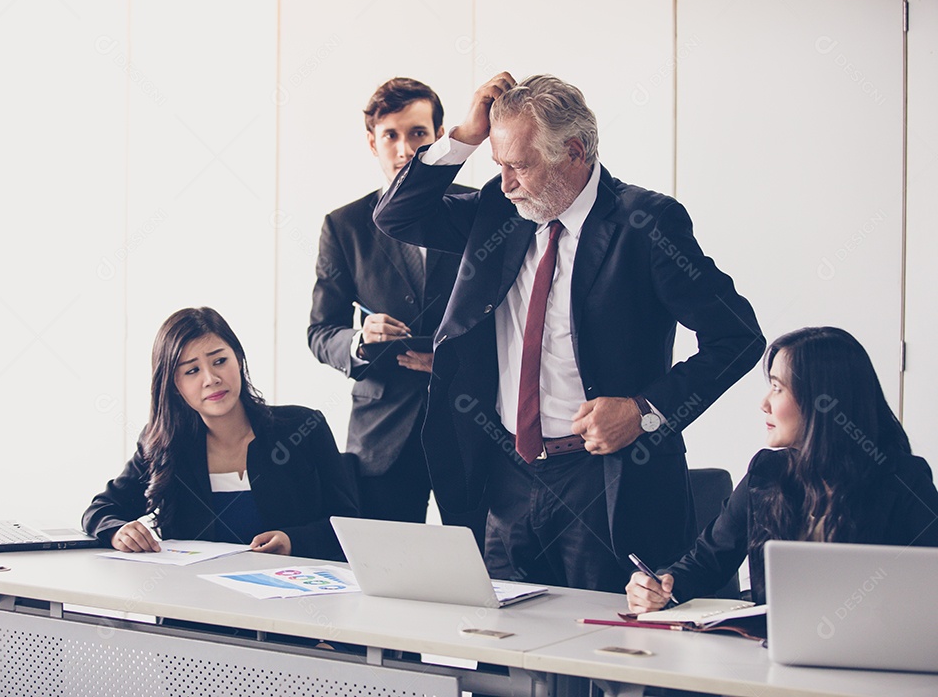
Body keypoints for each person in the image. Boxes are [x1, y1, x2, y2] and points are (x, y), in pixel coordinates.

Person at [374, 72, 764, 592]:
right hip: (507, 476)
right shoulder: (499, 211)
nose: (506, 182)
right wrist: (464, 135)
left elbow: (737, 338)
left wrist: (645, 412)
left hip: (606, 482)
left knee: (604, 637)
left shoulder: (647, 223)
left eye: (519, 166)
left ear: (574, 152)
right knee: (506, 636)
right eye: (498, 164)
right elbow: (397, 216)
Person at [627, 327, 938, 611]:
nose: (764, 403)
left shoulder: (903, 479)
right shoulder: (766, 473)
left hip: (875, 649)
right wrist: (659, 586)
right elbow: (705, 564)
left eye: (777, 388)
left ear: (822, 401)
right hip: (771, 648)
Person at [308, 77, 486, 547]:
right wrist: (360, 339)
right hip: (382, 434)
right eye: (391, 135)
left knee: (487, 564)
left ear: (440, 135)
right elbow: (320, 331)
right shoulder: (343, 226)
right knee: (387, 569)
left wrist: (456, 363)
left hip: (470, 424)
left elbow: (509, 317)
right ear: (372, 142)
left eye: (418, 134)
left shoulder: (479, 210)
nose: (405, 149)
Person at [84, 307, 359, 562]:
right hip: (195, 595)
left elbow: (349, 524)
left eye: (219, 361)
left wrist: (293, 541)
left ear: (238, 359)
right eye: (192, 370)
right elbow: (101, 510)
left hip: (294, 591)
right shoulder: (164, 444)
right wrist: (118, 532)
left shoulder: (304, 427)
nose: (211, 379)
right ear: (174, 385)